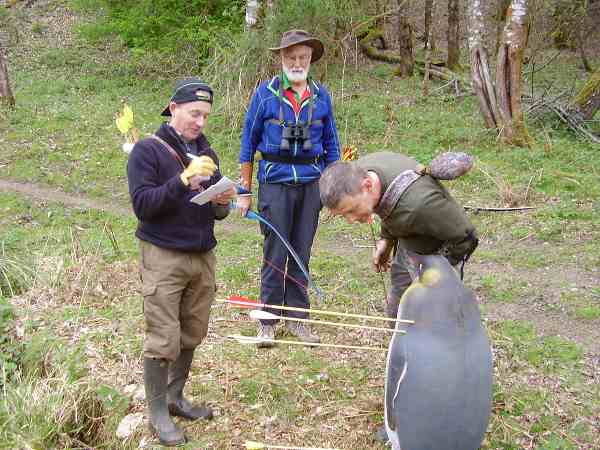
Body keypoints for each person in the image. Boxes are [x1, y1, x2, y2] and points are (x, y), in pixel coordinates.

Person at [127, 77, 236, 446]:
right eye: (194, 113)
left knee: (192, 331)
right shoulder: (147, 151)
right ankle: (157, 414)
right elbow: (143, 205)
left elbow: (218, 213)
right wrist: (182, 180)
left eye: (205, 115)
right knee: (163, 337)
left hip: (202, 256)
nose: (200, 122)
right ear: (173, 108)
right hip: (163, 256)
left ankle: (174, 398)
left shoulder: (208, 155)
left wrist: (224, 201)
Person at [237, 30, 340, 347]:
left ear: (310, 60)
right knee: (276, 251)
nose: (297, 63)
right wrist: (245, 190)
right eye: (291, 57)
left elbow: (332, 145)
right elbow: (247, 143)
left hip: (311, 185)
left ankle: (298, 319)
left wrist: (333, 189)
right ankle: (267, 321)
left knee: (301, 250)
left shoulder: (321, 96)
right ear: (281, 59)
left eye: (303, 58)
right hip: (274, 182)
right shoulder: (265, 95)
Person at [319, 151, 479, 323]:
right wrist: (386, 240)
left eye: (351, 210)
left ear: (367, 185)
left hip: (438, 252)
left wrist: (437, 273)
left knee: (435, 320)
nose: (350, 220)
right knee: (399, 310)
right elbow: (389, 201)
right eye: (343, 215)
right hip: (407, 242)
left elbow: (467, 237)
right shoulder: (362, 172)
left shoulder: (420, 206)